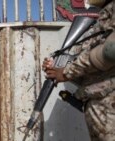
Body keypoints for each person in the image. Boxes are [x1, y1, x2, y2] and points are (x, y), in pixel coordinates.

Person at [42, 0, 115, 140]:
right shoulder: (101, 22)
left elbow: (110, 51)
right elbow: (87, 67)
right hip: (97, 104)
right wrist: (56, 66)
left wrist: (67, 71)